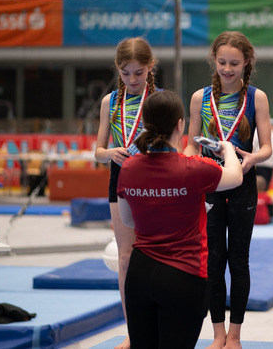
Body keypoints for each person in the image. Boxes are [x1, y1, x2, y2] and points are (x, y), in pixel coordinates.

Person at [117, 90, 243, 349]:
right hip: (183, 274)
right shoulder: (193, 167)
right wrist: (228, 150)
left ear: (144, 124)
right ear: (180, 124)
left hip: (140, 274)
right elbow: (236, 176)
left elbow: (128, 221)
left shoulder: (128, 167)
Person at [184, 31, 272, 349]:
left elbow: (267, 148)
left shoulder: (256, 98)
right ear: (214, 60)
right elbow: (191, 145)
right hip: (209, 183)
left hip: (242, 183)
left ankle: (235, 335)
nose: (227, 69)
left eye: (234, 63)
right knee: (213, 260)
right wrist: (189, 165)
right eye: (222, 62)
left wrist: (252, 159)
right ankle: (217, 333)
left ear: (246, 62)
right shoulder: (200, 98)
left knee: (238, 260)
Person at [94, 36, 157, 349]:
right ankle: (133, 331)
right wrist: (111, 152)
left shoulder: (159, 100)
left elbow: (175, 144)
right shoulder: (110, 102)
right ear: (117, 69)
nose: (132, 79)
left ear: (150, 67)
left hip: (155, 178)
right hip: (120, 176)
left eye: (138, 73)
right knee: (125, 258)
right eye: (125, 73)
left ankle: (158, 324)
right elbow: (98, 151)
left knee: (155, 255)